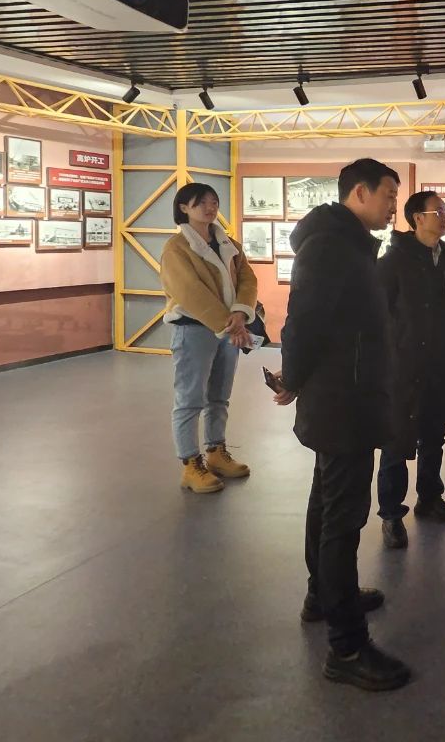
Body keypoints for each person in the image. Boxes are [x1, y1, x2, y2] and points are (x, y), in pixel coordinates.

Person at [272, 158, 411, 692]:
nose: (394, 205)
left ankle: (324, 596)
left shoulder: (349, 243)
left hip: (347, 396)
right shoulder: (330, 246)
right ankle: (347, 647)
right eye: (388, 194)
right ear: (359, 192)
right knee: (343, 518)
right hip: (342, 402)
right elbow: (303, 320)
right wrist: (292, 377)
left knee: (327, 501)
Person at [375, 190, 445, 549]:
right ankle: (391, 514)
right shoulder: (394, 261)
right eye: (438, 211)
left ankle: (429, 498)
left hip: (441, 364)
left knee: (434, 436)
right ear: (417, 219)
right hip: (404, 366)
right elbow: (380, 313)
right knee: (396, 441)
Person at [159, 182, 257, 494]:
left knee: (219, 396)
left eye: (213, 202)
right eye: (201, 202)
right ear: (183, 208)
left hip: (229, 329)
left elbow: (247, 279)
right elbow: (188, 291)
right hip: (194, 330)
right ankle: (191, 464)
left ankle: (216, 451)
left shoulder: (228, 243)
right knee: (190, 399)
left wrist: (240, 312)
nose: (209, 207)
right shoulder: (176, 248)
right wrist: (231, 325)